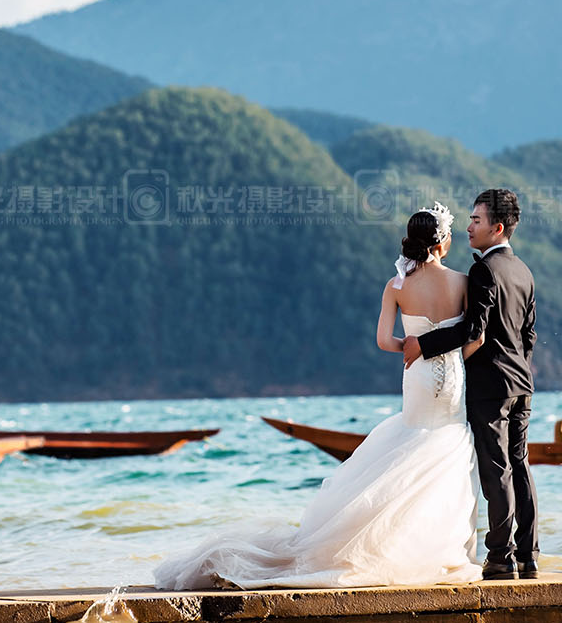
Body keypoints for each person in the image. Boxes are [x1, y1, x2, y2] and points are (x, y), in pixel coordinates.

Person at [153, 203, 483, 589]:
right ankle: (439, 548)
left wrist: (410, 346)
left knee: (411, 442)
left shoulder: (396, 286)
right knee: (449, 450)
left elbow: (382, 341)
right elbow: (473, 337)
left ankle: (384, 542)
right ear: (442, 242)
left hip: (417, 376)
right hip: (453, 379)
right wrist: (453, 358)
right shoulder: (462, 282)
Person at [403, 188, 538, 580]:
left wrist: (423, 344)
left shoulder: (484, 270)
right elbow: (528, 336)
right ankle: (527, 555)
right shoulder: (524, 271)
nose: (468, 227)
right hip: (521, 383)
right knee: (519, 464)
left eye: (476, 220)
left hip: (490, 384)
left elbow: (473, 329)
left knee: (495, 469)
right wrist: (519, 372)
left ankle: (499, 557)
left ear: (497, 227)